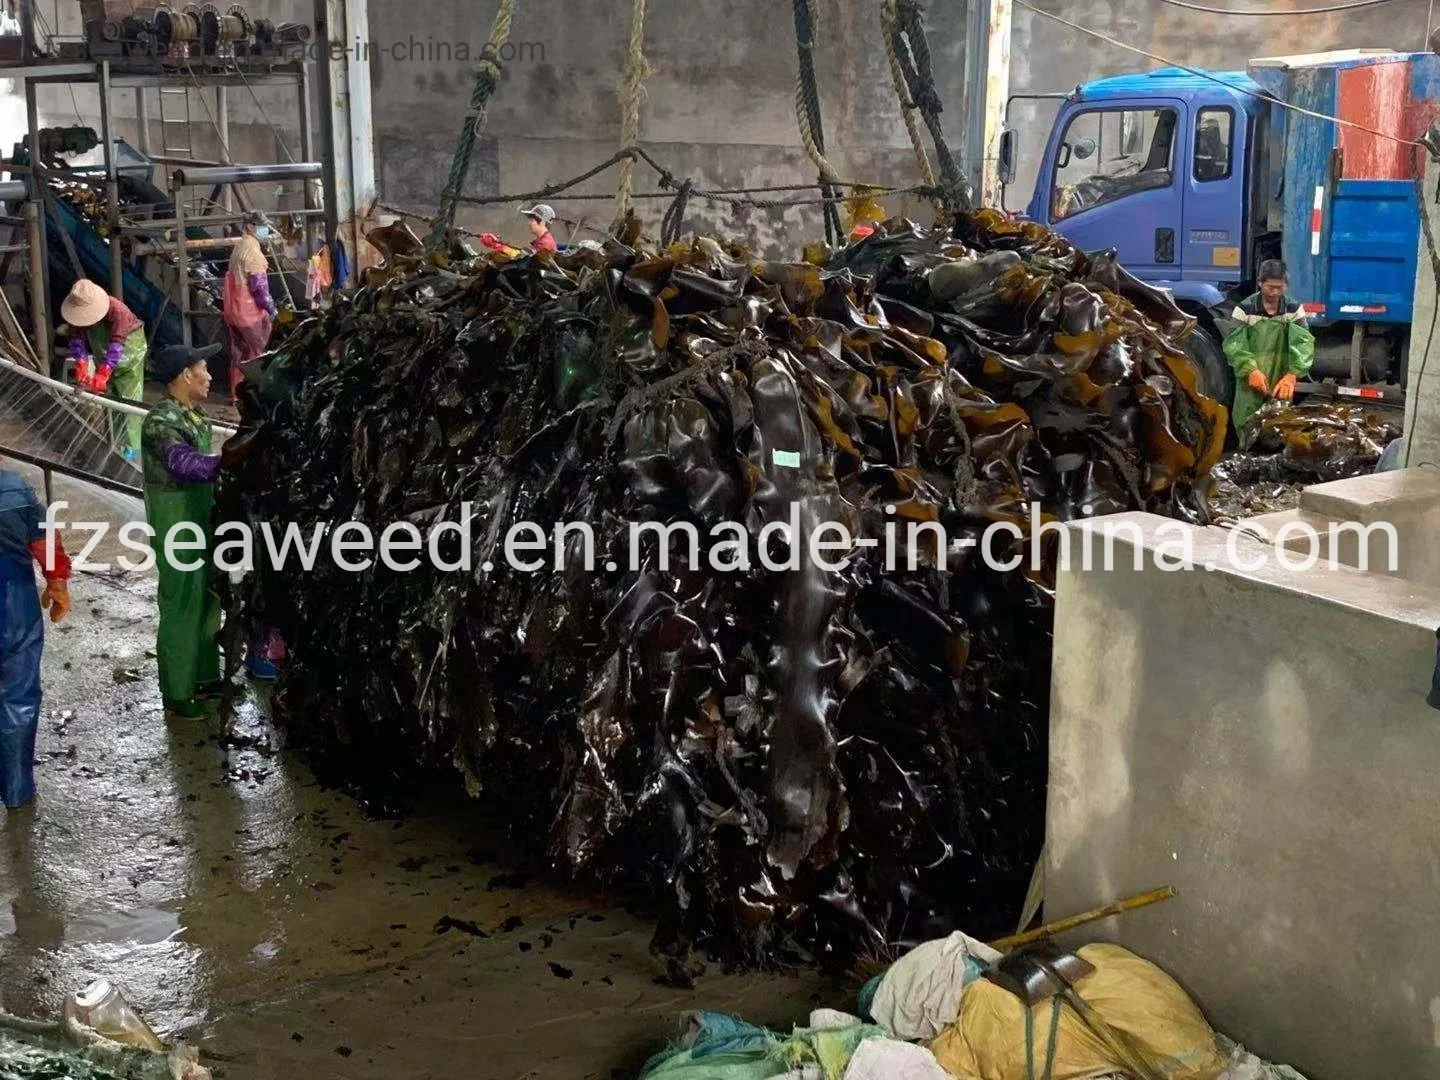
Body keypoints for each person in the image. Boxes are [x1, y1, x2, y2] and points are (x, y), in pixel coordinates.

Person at [141, 343, 224, 719]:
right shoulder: (161, 421)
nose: (210, 376)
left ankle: (205, 678)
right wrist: (234, 460)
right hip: (176, 521)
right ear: (185, 375)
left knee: (208, 599)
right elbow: (183, 463)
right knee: (181, 604)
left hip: (201, 517)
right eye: (204, 368)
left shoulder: (196, 417)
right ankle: (177, 691)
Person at [0, 468, 71, 809]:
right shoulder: (14, 488)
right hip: (14, 605)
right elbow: (45, 540)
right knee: (18, 695)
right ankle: (16, 789)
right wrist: (57, 585)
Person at [1223, 259, 1315, 431]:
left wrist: (1292, 375)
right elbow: (1234, 345)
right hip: (1250, 384)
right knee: (1247, 425)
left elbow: (1304, 344)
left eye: (1279, 288)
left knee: (1279, 427)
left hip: (1282, 380)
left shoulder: (1293, 310)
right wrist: (1251, 370)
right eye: (1270, 287)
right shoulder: (1244, 310)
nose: (1274, 292)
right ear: (1259, 283)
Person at [61, 279, 147, 460]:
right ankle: (114, 443)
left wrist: (103, 372)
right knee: (110, 400)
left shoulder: (118, 311)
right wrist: (82, 366)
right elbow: (76, 339)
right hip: (103, 349)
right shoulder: (76, 312)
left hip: (129, 348)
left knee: (128, 399)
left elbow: (117, 344)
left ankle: (131, 448)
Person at [222, 212, 279, 402]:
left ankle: (236, 395)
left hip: (233, 311)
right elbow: (259, 289)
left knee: (239, 354)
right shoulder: (253, 251)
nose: (265, 230)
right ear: (249, 226)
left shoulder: (239, 247)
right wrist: (272, 311)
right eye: (261, 226)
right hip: (250, 313)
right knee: (260, 353)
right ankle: (258, 396)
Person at [479, 204, 559, 256]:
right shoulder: (541, 241)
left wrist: (496, 245)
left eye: (532, 220)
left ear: (542, 222)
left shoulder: (545, 243)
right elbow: (523, 253)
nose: (529, 223)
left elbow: (522, 258)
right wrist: (497, 243)